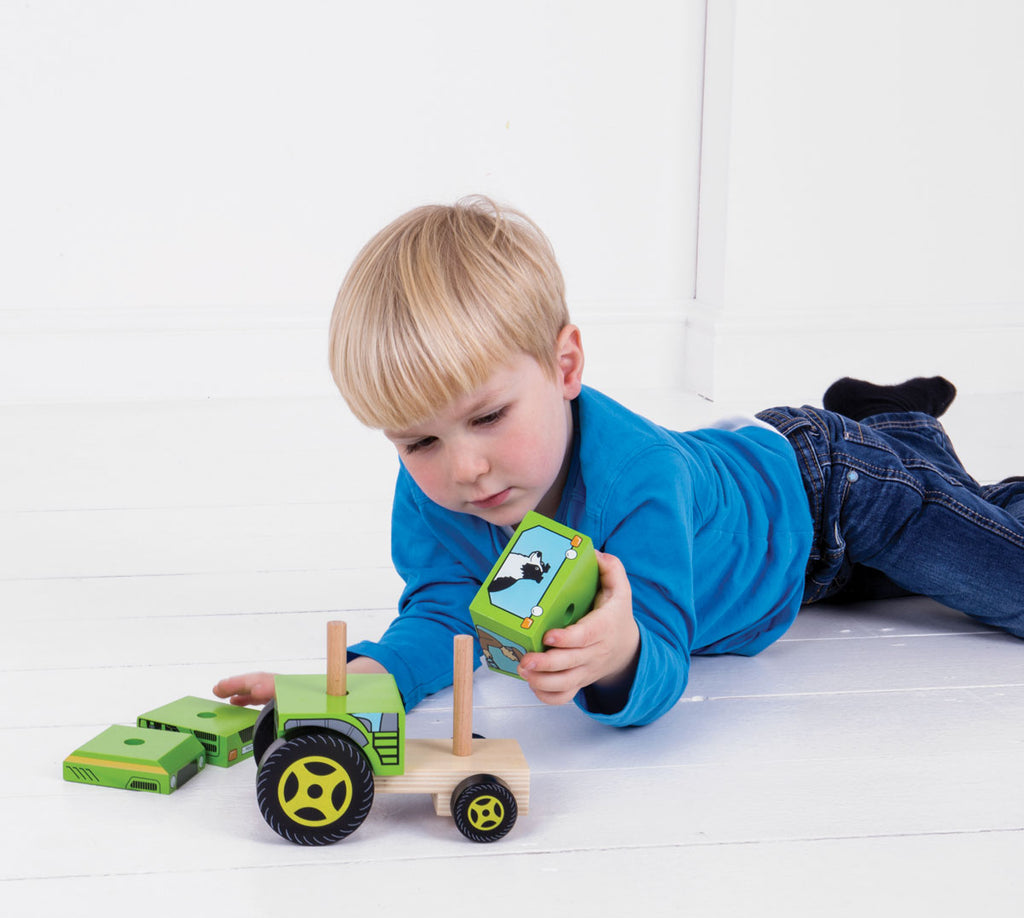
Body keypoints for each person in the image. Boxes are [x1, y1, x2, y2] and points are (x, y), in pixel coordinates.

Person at [214, 197, 1024, 727]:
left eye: (489, 417)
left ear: (565, 368)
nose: (463, 469)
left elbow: (660, 649)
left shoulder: (636, 483)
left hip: (833, 495)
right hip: (799, 574)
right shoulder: (441, 496)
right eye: (418, 441)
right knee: (924, 560)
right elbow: (442, 614)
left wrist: (622, 652)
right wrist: (359, 687)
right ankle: (895, 420)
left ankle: (885, 431)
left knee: (996, 571)